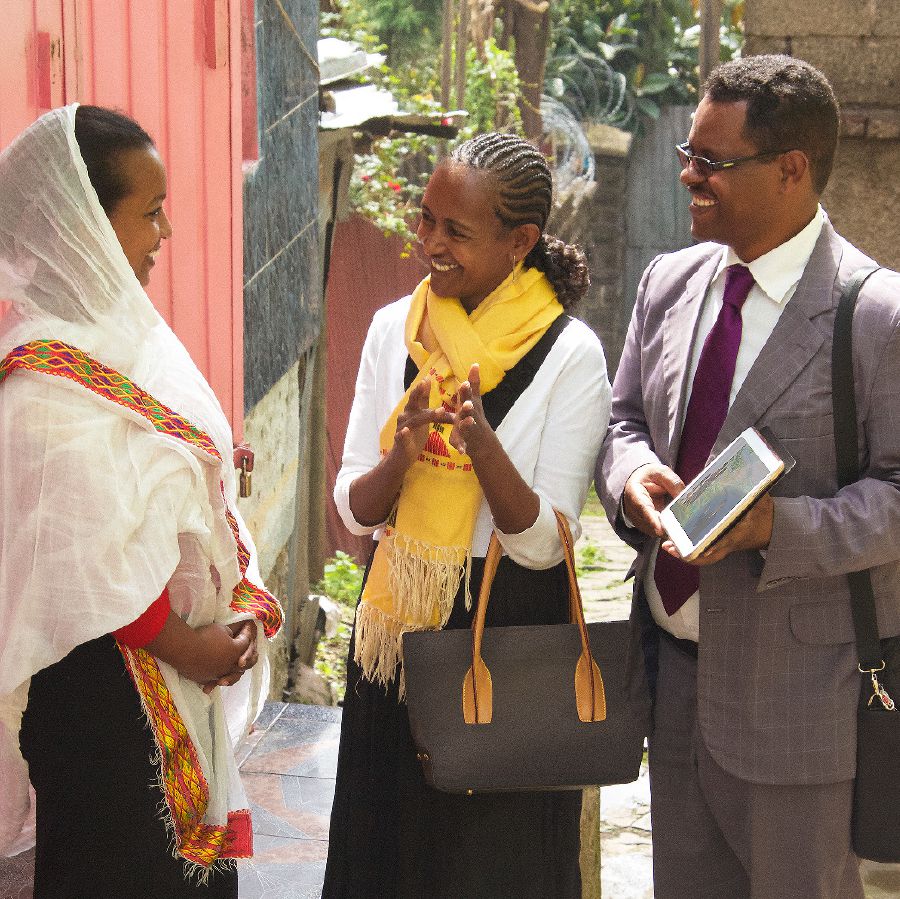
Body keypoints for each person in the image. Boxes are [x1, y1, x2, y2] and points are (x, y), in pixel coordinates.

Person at [596, 54, 900, 899]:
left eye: (711, 163)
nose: (688, 175)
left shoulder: (875, 315)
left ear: (791, 169)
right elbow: (622, 423)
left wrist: (778, 529)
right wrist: (632, 475)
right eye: (687, 156)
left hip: (801, 708)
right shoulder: (668, 283)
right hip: (673, 690)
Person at [0, 105, 283, 897]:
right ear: (86, 223)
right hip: (103, 711)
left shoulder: (118, 342)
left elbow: (151, 477)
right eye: (149, 213)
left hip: (161, 687)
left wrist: (204, 473)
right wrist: (194, 649)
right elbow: (81, 562)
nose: (164, 232)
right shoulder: (40, 391)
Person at [323, 132, 611, 898]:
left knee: (493, 862)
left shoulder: (570, 353)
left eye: (455, 230)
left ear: (520, 242)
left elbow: (548, 544)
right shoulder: (397, 328)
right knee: (388, 849)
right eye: (425, 221)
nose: (430, 244)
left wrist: (480, 443)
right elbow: (355, 504)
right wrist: (401, 458)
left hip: (508, 624)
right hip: (398, 630)